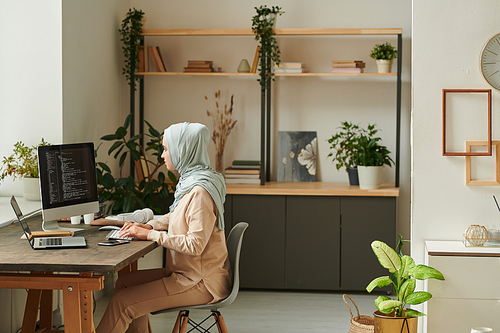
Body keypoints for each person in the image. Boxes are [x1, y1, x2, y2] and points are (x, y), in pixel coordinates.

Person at [96, 122, 231, 333]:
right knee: (124, 283)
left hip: (200, 282)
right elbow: (176, 216)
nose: (162, 155)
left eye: (166, 149)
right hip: (187, 274)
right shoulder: (193, 181)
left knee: (122, 302)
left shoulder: (200, 192)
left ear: (183, 150)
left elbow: (195, 245)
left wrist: (151, 234)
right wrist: (146, 225)